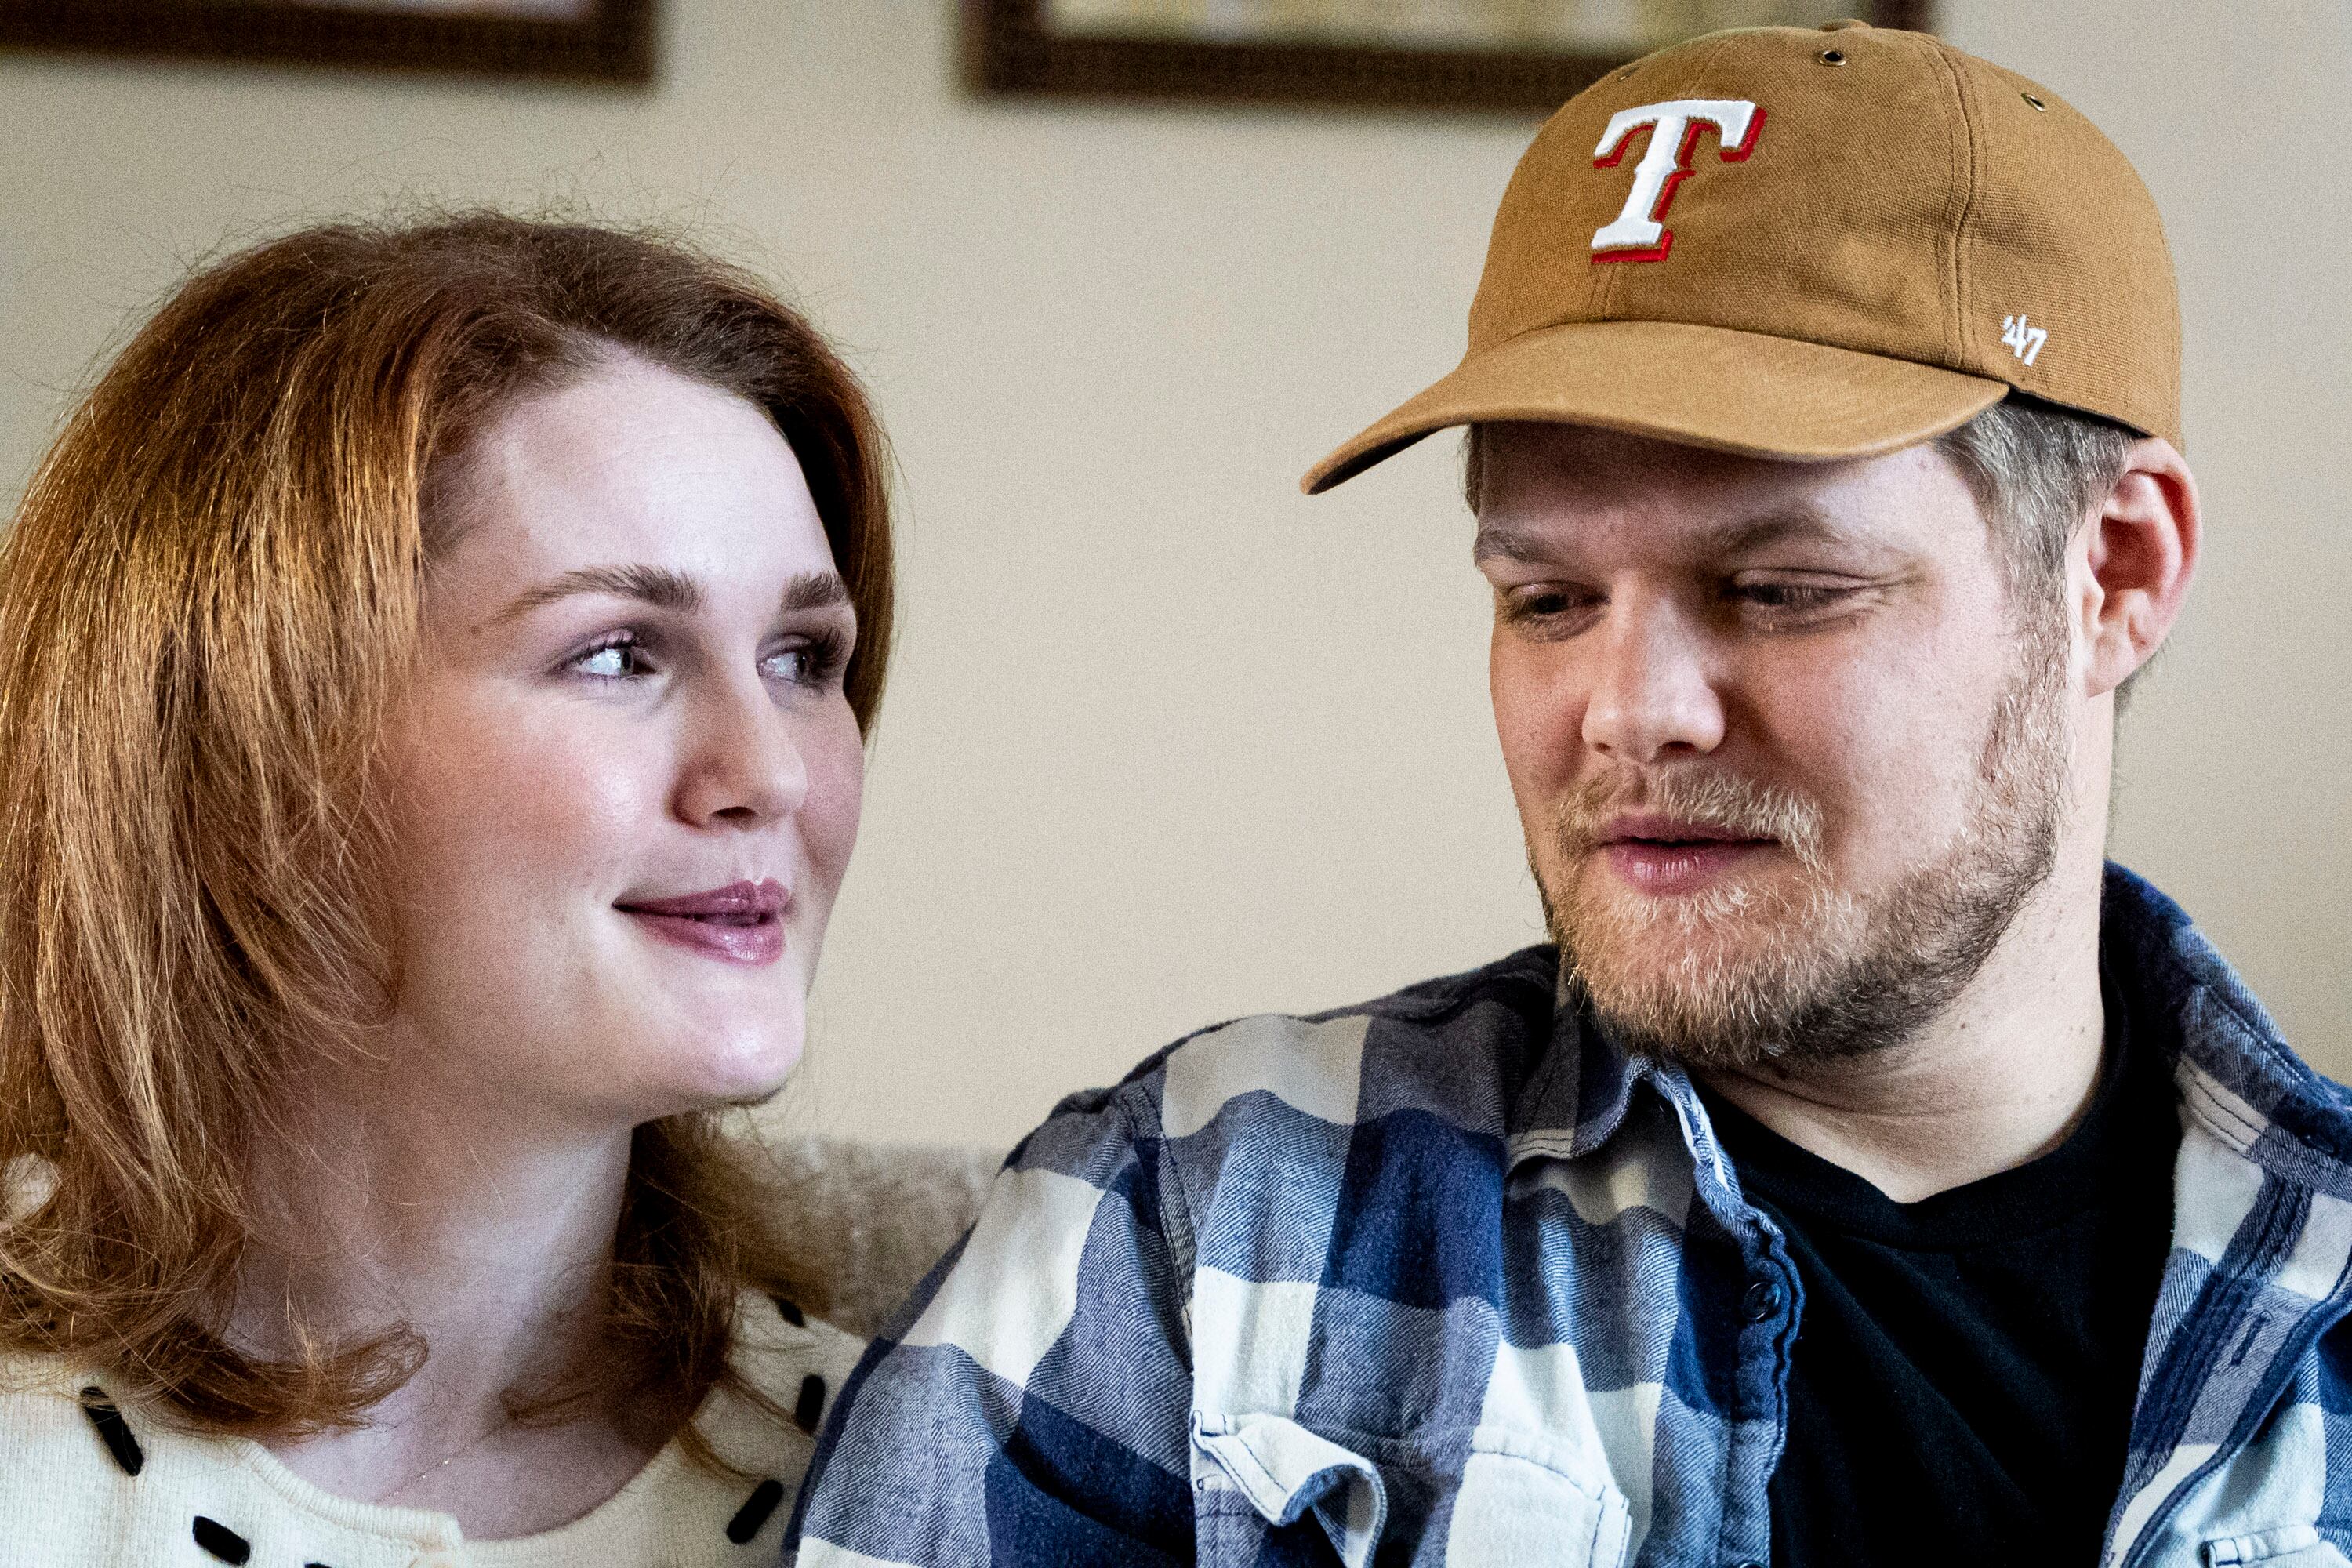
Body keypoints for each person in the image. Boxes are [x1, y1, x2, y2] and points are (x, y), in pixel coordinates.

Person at [793, 21, 2350, 1568]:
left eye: (1778, 587)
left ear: (2116, 571)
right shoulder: (1183, 1238)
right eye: (1546, 601)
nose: (1626, 710)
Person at [0, 212, 893, 1564]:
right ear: (252, 745)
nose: (767, 771)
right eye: (616, 654)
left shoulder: (932, 1475)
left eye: (803, 657)